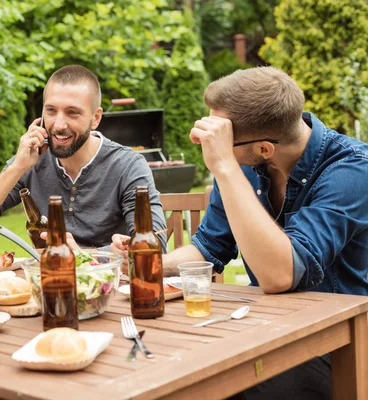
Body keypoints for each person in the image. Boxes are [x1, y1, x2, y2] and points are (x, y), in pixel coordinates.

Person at [112, 66, 368, 399]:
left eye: (221, 137)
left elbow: (282, 274)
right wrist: (146, 262)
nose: (211, 146)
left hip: (342, 341)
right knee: (169, 372)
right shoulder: (245, 166)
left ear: (264, 148)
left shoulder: (353, 170)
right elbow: (208, 248)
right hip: (265, 326)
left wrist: (225, 166)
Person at [0, 64, 167, 251]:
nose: (58, 125)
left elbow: (155, 247)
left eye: (72, 112)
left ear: (95, 118)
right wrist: (17, 168)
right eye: (51, 110)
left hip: (112, 289)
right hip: (47, 286)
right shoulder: (31, 160)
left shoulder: (128, 166)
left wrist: (86, 256)